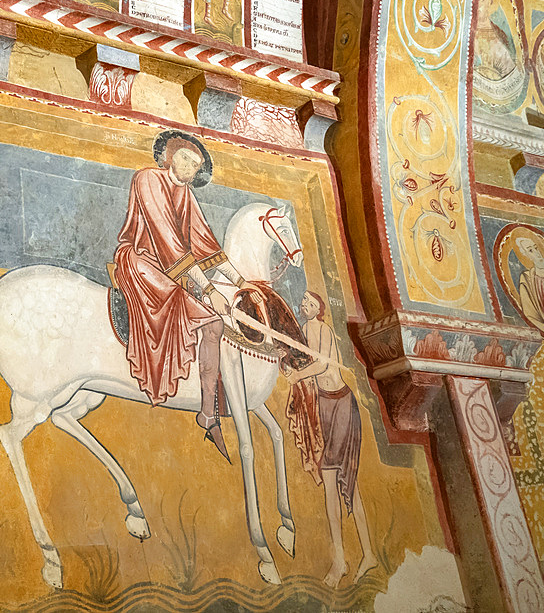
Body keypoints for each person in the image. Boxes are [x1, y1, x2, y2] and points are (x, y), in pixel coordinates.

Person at [112, 130, 260, 460]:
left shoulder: (187, 194)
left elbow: (207, 246)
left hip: (175, 269)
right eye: (185, 158)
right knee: (201, 314)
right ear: (168, 156)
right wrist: (208, 290)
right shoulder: (148, 179)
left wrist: (242, 283)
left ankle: (208, 414)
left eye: (196, 165)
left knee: (215, 326)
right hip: (140, 262)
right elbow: (169, 244)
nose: (189, 168)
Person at [283, 290, 377, 588]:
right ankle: (343, 557)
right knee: (331, 482)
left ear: (319, 309)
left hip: (341, 403)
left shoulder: (322, 330)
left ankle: (358, 557)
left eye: (310, 303)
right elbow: (294, 363)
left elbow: (322, 364)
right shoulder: (301, 333)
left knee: (345, 479)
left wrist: (297, 376)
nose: (305, 305)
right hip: (321, 404)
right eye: (303, 302)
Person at [474, 0, 517, 81]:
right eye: (476, 0)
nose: (479, 4)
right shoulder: (469, 33)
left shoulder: (499, 34)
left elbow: (508, 68)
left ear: (490, 1)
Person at [515, 233, 544, 338]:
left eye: (536, 248)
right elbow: (530, 314)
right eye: (531, 251)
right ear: (526, 256)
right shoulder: (527, 279)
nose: (537, 253)